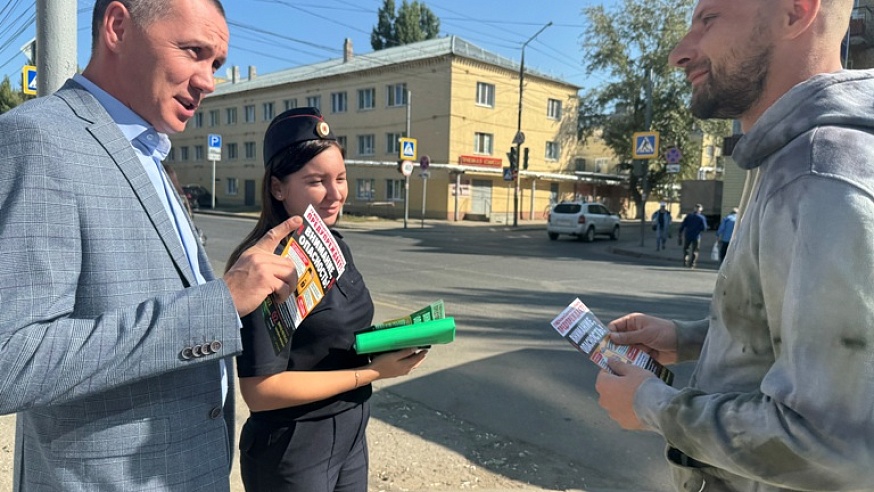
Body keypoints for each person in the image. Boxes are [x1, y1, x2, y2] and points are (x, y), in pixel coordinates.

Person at [0, 1, 302, 490]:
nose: (208, 81)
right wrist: (216, 305)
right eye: (193, 52)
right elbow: (11, 359)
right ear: (118, 27)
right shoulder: (39, 138)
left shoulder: (148, 151)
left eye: (216, 63)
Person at [595, 0, 874, 490]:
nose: (679, 53)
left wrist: (650, 405)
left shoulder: (817, 174)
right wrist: (685, 338)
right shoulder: (788, 157)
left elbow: (837, 446)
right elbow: (801, 335)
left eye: (709, 19)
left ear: (795, 12)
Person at [228, 107, 428, 492]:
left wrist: (396, 338)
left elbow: (339, 336)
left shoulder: (332, 244)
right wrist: (373, 373)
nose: (335, 194)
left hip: (351, 430)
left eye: (341, 178)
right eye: (317, 181)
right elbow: (261, 391)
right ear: (278, 188)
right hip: (294, 447)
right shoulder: (264, 266)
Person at [677, 204, 708, 268]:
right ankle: (692, 264)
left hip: (688, 234)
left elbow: (683, 225)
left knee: (686, 248)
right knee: (695, 250)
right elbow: (704, 228)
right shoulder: (702, 218)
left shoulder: (689, 216)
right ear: (701, 210)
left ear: (694, 209)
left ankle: (685, 260)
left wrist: (680, 233)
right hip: (696, 236)